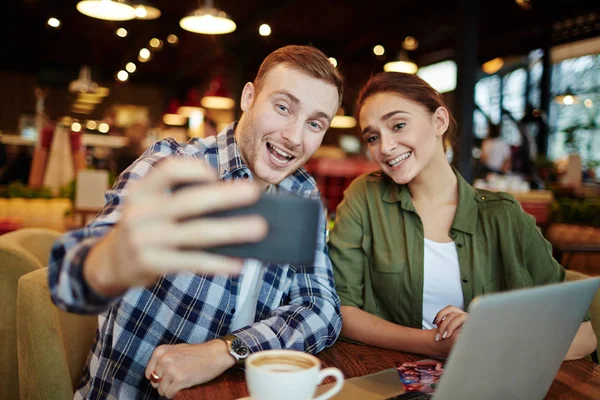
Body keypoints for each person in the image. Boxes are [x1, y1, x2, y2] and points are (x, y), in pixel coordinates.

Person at [49, 45, 344, 399]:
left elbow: (320, 307)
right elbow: (72, 278)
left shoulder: (301, 191)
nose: (295, 138)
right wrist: (115, 257)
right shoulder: (171, 164)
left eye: (314, 123)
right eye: (283, 107)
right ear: (249, 97)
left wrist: (226, 350)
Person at [328, 72, 596, 360]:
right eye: (372, 137)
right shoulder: (365, 198)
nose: (385, 146)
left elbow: (583, 336)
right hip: (390, 376)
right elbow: (342, 309)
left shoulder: (503, 215)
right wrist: (432, 342)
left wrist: (487, 336)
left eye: (399, 125)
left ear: (439, 121)